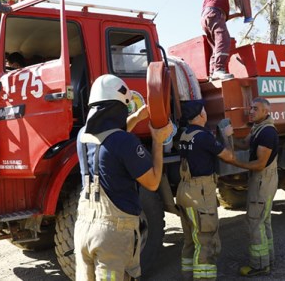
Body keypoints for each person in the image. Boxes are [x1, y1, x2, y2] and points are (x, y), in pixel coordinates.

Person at [74, 74, 173, 281]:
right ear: (118, 108)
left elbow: (109, 138)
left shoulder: (83, 135)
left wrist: (137, 117)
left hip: (83, 228)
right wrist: (158, 141)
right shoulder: (125, 142)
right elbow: (153, 182)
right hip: (111, 237)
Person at [176, 100, 235, 280]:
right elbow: (229, 157)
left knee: (190, 241)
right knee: (206, 241)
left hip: (184, 190)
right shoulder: (204, 137)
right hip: (200, 193)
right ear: (201, 115)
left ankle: (188, 276)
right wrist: (227, 136)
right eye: (204, 110)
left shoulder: (185, 134)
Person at [231, 97, 279, 277]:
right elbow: (244, 144)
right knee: (263, 221)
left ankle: (259, 265)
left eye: (255, 109)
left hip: (262, 181)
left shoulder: (267, 133)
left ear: (266, 112)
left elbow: (259, 164)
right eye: (250, 108)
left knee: (254, 222)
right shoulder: (257, 128)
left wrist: (235, 162)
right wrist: (227, 138)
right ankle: (268, 259)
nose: (250, 111)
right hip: (260, 180)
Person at [201, 0, 245, 81]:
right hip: (213, 15)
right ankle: (219, 69)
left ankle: (212, 73)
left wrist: (238, 14)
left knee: (216, 47)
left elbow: (221, 17)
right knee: (224, 39)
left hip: (208, 17)